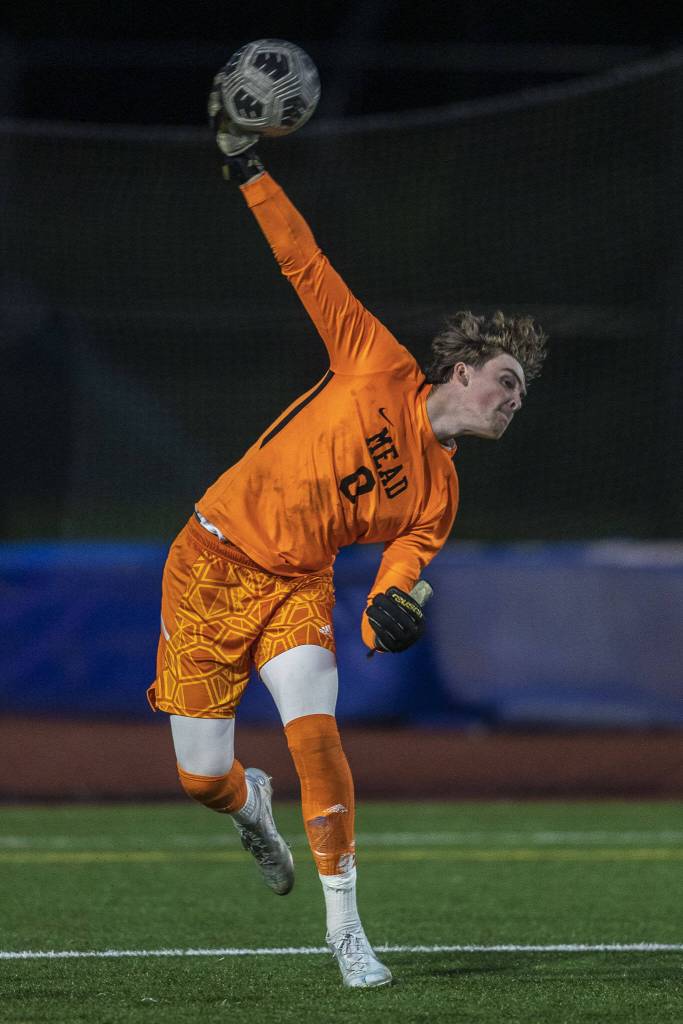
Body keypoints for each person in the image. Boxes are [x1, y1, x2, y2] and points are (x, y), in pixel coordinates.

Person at [146, 75, 547, 989]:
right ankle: (247, 804)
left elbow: (386, 600)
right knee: (201, 780)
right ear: (456, 370)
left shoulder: (439, 495)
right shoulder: (376, 361)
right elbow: (304, 261)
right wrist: (246, 166)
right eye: (505, 381)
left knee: (317, 734)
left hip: (296, 587)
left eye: (521, 394)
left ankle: (345, 931)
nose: (513, 401)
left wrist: (390, 617)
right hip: (207, 563)